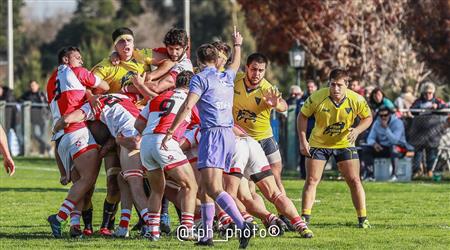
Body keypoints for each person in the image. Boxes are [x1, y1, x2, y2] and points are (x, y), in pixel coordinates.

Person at [161, 28, 254, 248]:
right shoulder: (226, 76)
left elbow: (187, 106)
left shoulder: (199, 79)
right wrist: (238, 44)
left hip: (212, 135)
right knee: (205, 189)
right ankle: (207, 236)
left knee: (213, 188)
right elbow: (235, 64)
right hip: (228, 136)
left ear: (200, 61)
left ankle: (243, 225)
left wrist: (171, 131)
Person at [46, 46, 109, 238]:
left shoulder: (50, 81)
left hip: (61, 138)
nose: (81, 61)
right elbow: (105, 86)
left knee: (77, 182)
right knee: (88, 180)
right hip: (76, 130)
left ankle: (75, 226)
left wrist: (85, 92)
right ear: (66, 59)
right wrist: (90, 90)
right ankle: (59, 217)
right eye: (77, 57)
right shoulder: (78, 72)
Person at [298, 68, 373, 228]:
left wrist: (358, 130)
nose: (336, 89)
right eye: (333, 85)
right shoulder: (317, 97)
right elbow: (302, 116)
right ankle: (305, 218)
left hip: (345, 144)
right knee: (311, 180)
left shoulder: (356, 99)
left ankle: (363, 219)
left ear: (347, 85)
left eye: (339, 85)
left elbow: (367, 117)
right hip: (318, 143)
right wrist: (303, 140)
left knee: (354, 180)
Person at [134, 70, 198, 241]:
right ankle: (187, 229)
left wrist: (151, 137)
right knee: (190, 185)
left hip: (147, 143)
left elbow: (138, 123)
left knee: (157, 189)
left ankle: (153, 231)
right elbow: (204, 123)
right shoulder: (191, 100)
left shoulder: (157, 98)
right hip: (166, 142)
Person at [362, 106, 410, 181]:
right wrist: (374, 144)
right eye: (381, 116)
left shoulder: (398, 123)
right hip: (384, 147)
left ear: (390, 114)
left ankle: (394, 175)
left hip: (400, 148)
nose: (383, 117)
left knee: (394, 148)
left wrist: (386, 128)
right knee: (366, 148)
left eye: (385, 115)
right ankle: (369, 175)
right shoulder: (377, 123)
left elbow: (395, 140)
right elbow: (370, 138)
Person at [410, 82, 448, 177]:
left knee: (431, 152)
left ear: (433, 93)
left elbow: (446, 107)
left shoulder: (438, 101)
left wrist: (437, 107)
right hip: (419, 132)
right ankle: (417, 171)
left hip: (433, 133)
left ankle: (430, 171)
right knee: (418, 152)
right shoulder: (418, 102)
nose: (428, 95)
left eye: (430, 93)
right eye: (426, 93)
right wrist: (420, 108)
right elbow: (412, 109)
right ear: (423, 93)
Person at [19, 80, 51, 155]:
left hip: (44, 118)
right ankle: (48, 147)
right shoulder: (27, 95)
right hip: (34, 119)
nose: (32, 87)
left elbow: (48, 103)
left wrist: (49, 113)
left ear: (37, 86)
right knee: (36, 135)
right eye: (31, 86)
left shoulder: (42, 94)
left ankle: (42, 153)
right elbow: (19, 100)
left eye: (34, 85)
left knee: (44, 136)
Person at [295, 80, 318, 179]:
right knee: (303, 152)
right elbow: (299, 114)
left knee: (316, 153)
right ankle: (303, 174)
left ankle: (315, 174)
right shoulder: (302, 100)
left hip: (316, 131)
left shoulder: (319, 99)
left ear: (316, 87)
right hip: (304, 131)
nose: (310, 89)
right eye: (308, 87)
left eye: (312, 87)